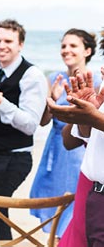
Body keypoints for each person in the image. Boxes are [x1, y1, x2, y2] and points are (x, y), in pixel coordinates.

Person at [0, 19, 48, 240]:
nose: (1, 46)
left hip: (13, 158)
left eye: (8, 41)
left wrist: (1, 102)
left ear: (20, 44)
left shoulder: (32, 75)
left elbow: (31, 124)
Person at [30, 29, 99, 237]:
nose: (67, 50)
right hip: (55, 149)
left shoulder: (94, 81)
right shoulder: (54, 78)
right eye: (63, 46)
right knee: (53, 211)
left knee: (73, 212)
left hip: (78, 152)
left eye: (73, 46)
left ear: (87, 51)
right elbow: (43, 122)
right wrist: (51, 99)